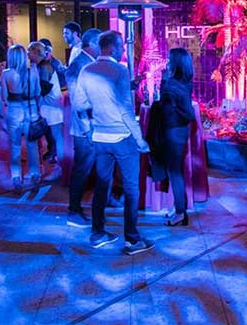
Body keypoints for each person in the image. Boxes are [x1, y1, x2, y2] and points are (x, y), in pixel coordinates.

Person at [72, 30, 153, 255]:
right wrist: (140, 140)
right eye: (121, 47)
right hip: (122, 138)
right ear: (113, 48)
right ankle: (132, 240)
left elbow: (79, 105)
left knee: (102, 185)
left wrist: (89, 129)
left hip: (100, 138)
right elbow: (125, 110)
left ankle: (98, 233)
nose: (123, 50)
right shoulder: (120, 70)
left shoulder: (86, 70)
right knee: (131, 188)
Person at [64, 28, 102, 227]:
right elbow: (77, 102)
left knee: (92, 166)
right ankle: (74, 210)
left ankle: (100, 199)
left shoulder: (88, 63)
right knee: (82, 168)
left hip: (92, 126)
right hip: (85, 128)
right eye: (101, 43)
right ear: (93, 44)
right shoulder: (79, 65)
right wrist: (88, 129)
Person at [158, 48, 196, 227]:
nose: (167, 62)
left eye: (169, 59)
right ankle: (179, 207)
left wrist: (163, 82)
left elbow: (164, 107)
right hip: (181, 130)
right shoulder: (186, 82)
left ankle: (180, 212)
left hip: (172, 130)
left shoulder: (171, 84)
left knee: (174, 172)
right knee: (176, 170)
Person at [0, 44, 41, 191]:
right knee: (32, 144)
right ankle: (35, 174)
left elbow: (4, 97)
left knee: (15, 145)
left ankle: (16, 177)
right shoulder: (33, 72)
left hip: (14, 109)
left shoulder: (6, 74)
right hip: (31, 109)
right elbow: (38, 93)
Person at [28, 41, 63, 173]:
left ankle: (60, 167)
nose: (27, 54)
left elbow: (42, 89)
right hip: (48, 106)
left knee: (56, 138)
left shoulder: (45, 67)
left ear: (35, 52)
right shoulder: (39, 66)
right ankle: (55, 161)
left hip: (53, 107)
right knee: (52, 137)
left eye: (29, 51)